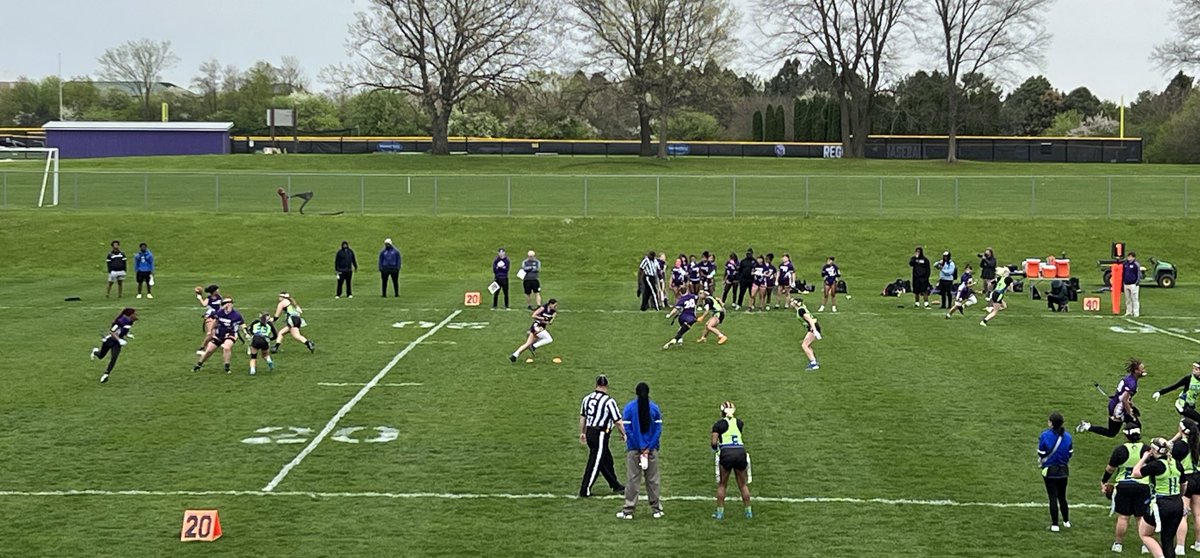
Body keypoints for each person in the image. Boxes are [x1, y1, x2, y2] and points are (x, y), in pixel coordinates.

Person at [1102, 422, 1151, 554]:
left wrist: (1104, 481)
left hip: (1123, 486)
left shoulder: (1120, 450)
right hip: (1142, 486)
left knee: (1123, 517)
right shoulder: (1146, 449)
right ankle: (1145, 545)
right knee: (1141, 517)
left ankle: (1118, 544)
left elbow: (1110, 469)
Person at [1134, 437, 1187, 558]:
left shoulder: (1156, 465)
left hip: (1161, 504)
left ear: (1154, 450)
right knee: (1168, 540)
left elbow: (1135, 473)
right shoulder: (1177, 464)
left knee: (1145, 534)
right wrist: (1179, 496)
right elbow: (1184, 484)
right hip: (1177, 503)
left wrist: (1143, 459)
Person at [617, 382, 664, 520]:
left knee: (633, 480)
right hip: (651, 450)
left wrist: (639, 446)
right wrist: (648, 448)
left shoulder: (629, 408)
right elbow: (657, 431)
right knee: (653, 480)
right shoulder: (654, 408)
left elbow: (629, 431)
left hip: (634, 450)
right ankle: (656, 509)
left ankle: (628, 510)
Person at [579, 375, 626, 498]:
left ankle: (615, 485)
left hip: (590, 432)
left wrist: (582, 433)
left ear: (596, 385)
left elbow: (583, 417)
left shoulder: (587, 398)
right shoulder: (609, 401)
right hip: (600, 434)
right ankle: (585, 489)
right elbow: (618, 421)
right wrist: (624, 434)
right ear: (606, 386)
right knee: (595, 462)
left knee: (606, 460)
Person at [1080, 358, 1149, 437]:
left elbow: (1124, 397)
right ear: (1136, 371)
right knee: (1112, 432)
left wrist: (1132, 406)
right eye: (1142, 369)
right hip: (1117, 409)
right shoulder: (1132, 384)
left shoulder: (1129, 379)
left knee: (1137, 425)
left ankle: (1133, 443)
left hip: (1119, 405)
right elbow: (1124, 400)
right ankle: (1087, 426)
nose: (1144, 371)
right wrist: (1130, 413)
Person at [712, 401, 752, 520]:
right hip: (740, 452)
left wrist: (716, 449)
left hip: (727, 453)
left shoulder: (718, 425)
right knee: (742, 484)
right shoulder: (739, 423)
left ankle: (720, 513)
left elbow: (714, 442)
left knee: (723, 484)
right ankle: (748, 512)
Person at [1037, 411, 1073, 532]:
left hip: (1050, 470)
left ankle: (1055, 524)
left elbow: (1041, 452)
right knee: (1062, 496)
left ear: (1051, 423)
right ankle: (1066, 521)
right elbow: (1070, 453)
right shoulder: (1067, 436)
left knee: (1053, 497)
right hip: (1063, 469)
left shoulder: (1045, 435)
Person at [193, 297, 245, 374]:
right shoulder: (220, 312)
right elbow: (215, 322)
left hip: (231, 334)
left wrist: (246, 333)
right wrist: (210, 331)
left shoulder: (236, 315)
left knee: (226, 347)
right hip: (219, 334)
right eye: (226, 303)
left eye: (230, 303)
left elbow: (242, 324)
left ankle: (227, 367)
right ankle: (198, 365)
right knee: (209, 351)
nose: (228, 305)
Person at [1172, 418, 1200, 553]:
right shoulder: (1196, 443)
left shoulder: (1180, 446)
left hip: (1186, 479)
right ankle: (1198, 543)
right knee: (1198, 514)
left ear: (1182, 430)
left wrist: (1175, 437)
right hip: (1198, 478)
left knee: (1183, 514)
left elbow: (1165, 452)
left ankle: (1180, 547)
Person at [91, 307, 137, 384]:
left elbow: (123, 330)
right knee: (100, 356)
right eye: (134, 313)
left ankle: (106, 374)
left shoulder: (130, 322)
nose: (136, 315)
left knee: (114, 358)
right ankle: (95, 351)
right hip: (109, 340)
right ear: (130, 314)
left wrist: (128, 335)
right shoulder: (121, 321)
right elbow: (112, 332)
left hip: (117, 343)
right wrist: (119, 340)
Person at [510, 298, 557, 363]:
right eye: (554, 305)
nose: (555, 307)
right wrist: (543, 318)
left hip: (541, 328)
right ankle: (534, 346)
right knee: (549, 339)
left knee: (527, 344)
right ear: (550, 304)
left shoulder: (554, 312)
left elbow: (550, 322)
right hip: (536, 326)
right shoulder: (543, 308)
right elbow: (534, 315)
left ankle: (514, 356)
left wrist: (546, 321)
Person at [790, 298, 822, 370]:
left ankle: (814, 364)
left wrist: (814, 331)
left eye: (792, 301)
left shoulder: (801, 310)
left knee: (804, 345)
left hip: (813, 327)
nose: (790, 303)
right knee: (807, 345)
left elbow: (810, 320)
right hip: (812, 327)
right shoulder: (801, 309)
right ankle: (814, 362)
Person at [194, 284, 222, 355]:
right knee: (210, 334)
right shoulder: (209, 298)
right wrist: (199, 297)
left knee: (217, 333)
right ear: (214, 291)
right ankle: (201, 348)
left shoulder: (219, 297)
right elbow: (204, 304)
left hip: (217, 316)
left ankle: (211, 346)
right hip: (210, 316)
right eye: (217, 289)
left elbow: (221, 306)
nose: (218, 290)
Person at [1124, 251, 1143, 318]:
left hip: (1133, 284)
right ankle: (1129, 311)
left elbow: (1138, 274)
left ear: (1133, 257)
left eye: (1130, 257)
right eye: (1128, 257)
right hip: (1126, 284)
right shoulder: (1125, 264)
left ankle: (1136, 312)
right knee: (1127, 299)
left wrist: (1136, 282)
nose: (1129, 258)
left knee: (1134, 299)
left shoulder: (1136, 264)